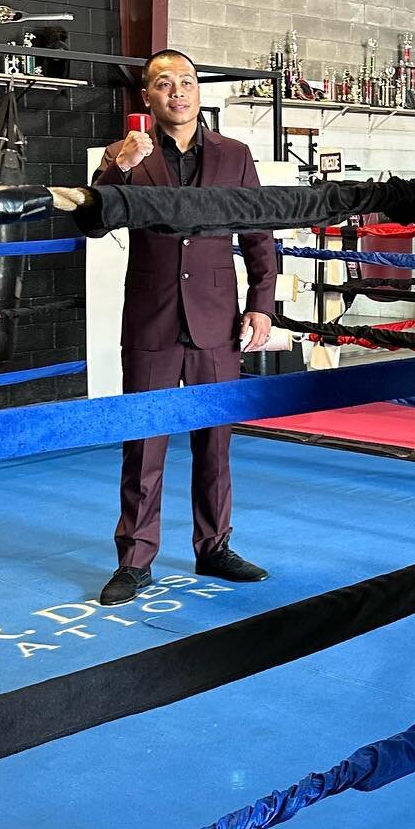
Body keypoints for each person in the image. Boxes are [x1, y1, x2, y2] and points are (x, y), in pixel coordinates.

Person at [93, 48, 276, 606]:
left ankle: (214, 547)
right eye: (164, 83)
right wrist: (116, 167)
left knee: (215, 443)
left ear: (200, 91)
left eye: (187, 81)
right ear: (146, 97)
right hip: (151, 319)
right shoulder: (124, 155)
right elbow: (94, 224)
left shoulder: (236, 155)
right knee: (144, 443)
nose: (178, 91)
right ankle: (134, 560)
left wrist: (262, 304)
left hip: (218, 319)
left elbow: (260, 234)